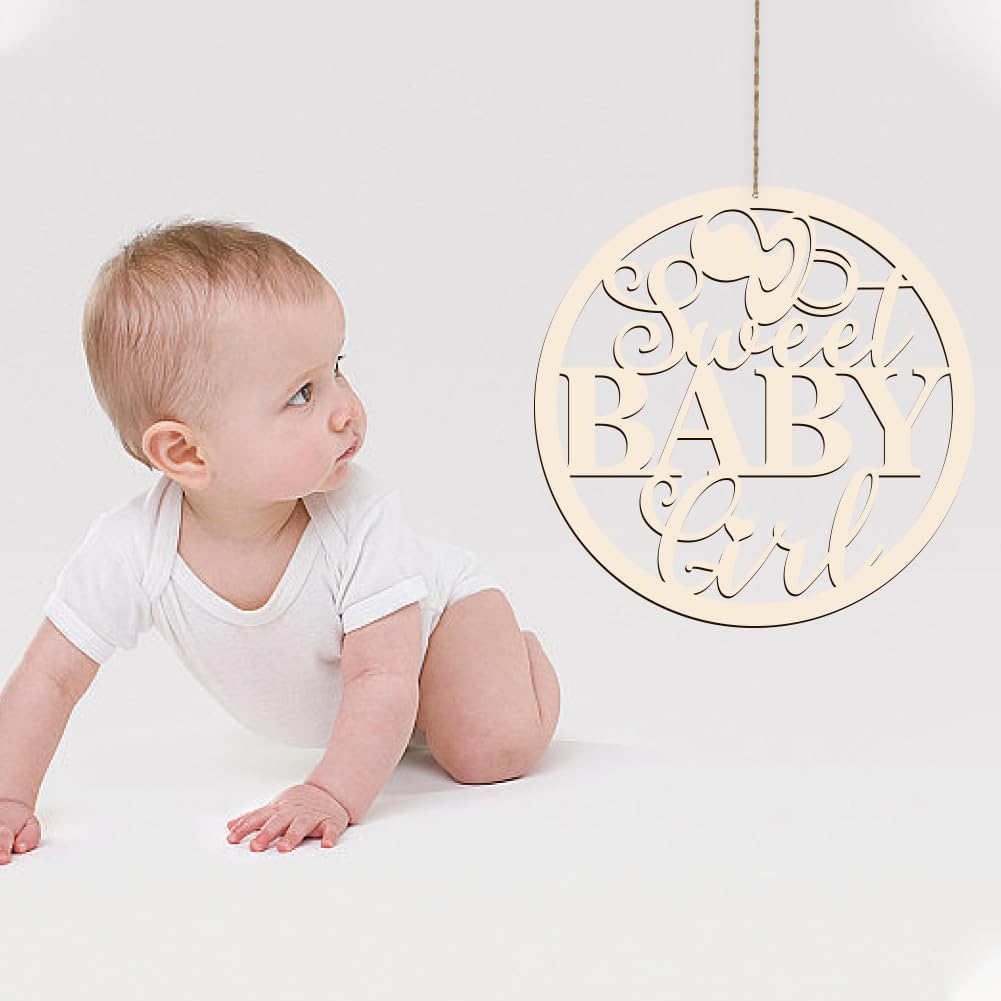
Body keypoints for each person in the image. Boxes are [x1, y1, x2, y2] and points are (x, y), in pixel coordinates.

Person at [0, 219, 560, 863]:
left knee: (490, 750)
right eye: (301, 393)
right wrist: (11, 796)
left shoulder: (360, 516)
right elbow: (48, 678)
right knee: (402, 722)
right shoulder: (133, 549)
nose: (345, 407)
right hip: (379, 682)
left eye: (337, 369)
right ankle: (426, 713)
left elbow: (380, 675)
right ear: (184, 450)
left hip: (441, 619)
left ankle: (519, 659)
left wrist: (331, 792)